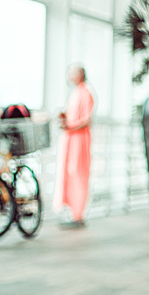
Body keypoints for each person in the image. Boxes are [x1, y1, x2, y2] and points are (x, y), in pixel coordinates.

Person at [55, 65, 94, 228]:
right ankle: (71, 211)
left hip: (79, 139)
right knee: (69, 174)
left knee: (78, 173)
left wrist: (70, 126)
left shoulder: (86, 94)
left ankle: (78, 213)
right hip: (70, 139)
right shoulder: (75, 93)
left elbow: (86, 119)